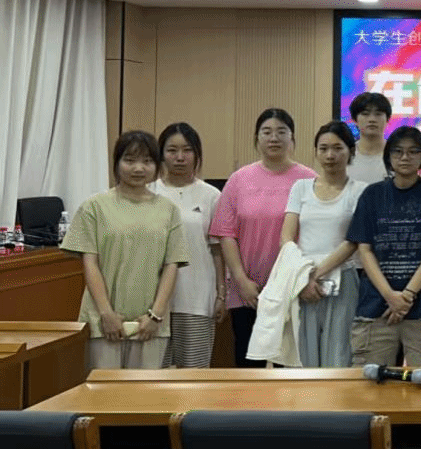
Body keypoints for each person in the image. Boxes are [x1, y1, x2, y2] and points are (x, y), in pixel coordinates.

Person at [63, 131, 189, 369]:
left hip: (150, 323)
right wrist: (106, 314)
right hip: (104, 321)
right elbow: (90, 264)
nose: (138, 168)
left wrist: (155, 316)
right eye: (130, 160)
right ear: (117, 163)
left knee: (145, 391)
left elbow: (172, 266)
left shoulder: (169, 210)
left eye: (147, 161)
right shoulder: (94, 207)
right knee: (104, 390)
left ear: (157, 166)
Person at [209, 108, 316, 366]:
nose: (274, 138)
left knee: (289, 364)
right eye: (266, 132)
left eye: (281, 132)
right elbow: (226, 234)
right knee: (248, 363)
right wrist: (240, 280)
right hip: (247, 289)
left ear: (292, 138)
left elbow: (315, 232)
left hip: (292, 288)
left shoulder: (309, 179)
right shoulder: (239, 179)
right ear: (256, 138)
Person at [346, 126, 421, 370]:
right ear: (389, 157)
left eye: (413, 151)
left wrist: (407, 295)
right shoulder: (372, 194)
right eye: (398, 151)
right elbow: (364, 250)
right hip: (376, 307)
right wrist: (390, 296)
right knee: (369, 384)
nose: (405, 157)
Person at [282, 121, 367, 367]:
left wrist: (316, 275)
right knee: (301, 355)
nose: (330, 155)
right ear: (316, 152)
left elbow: (352, 241)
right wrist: (303, 278)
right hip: (301, 279)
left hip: (343, 278)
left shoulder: (360, 191)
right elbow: (286, 237)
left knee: (339, 354)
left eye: (338, 148)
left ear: (351, 152)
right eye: (324, 148)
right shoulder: (300, 188)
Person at [151, 122, 224, 368]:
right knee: (154, 374)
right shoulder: (148, 192)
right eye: (172, 150)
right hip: (152, 301)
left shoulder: (212, 196)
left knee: (194, 375)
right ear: (161, 154)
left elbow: (218, 250)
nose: (180, 157)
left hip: (197, 297)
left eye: (187, 150)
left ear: (197, 154)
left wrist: (221, 294)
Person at [346, 91, 391, 184]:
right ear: (355, 120)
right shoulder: (345, 156)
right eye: (365, 114)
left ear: (387, 119)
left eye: (378, 114)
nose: (372, 119)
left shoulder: (396, 155)